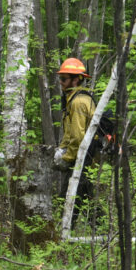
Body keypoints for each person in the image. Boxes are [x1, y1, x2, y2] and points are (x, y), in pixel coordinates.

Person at [53, 57, 97, 230]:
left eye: (64, 79)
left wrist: (67, 158)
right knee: (85, 194)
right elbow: (69, 131)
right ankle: (99, 228)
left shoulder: (78, 102)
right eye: (60, 78)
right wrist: (61, 149)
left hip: (84, 154)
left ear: (76, 79)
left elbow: (78, 136)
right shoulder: (73, 98)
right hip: (82, 153)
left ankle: (65, 233)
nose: (61, 82)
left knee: (69, 196)